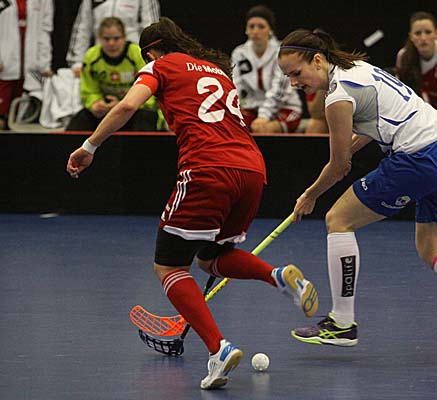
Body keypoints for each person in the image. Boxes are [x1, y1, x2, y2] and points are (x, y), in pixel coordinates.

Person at [66, 17, 318, 390]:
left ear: (152, 50)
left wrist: (89, 147)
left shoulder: (161, 66)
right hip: (252, 170)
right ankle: (277, 276)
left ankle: (218, 348)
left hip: (207, 169)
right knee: (211, 256)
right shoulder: (217, 71)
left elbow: (127, 106)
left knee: (168, 266)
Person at [278, 29, 437, 359]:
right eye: (288, 77)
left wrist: (310, 194)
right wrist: (344, 151)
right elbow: (372, 126)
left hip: (419, 157)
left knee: (338, 219)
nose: (293, 82)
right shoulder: (358, 68)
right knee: (431, 247)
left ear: (317, 60)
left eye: (296, 73)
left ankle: (342, 324)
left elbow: (340, 166)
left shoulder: (337, 97)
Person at [65, 17, 159, 131]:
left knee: (146, 118)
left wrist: (123, 105)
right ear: (99, 39)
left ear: (124, 37)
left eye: (116, 38)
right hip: (105, 109)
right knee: (78, 122)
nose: (111, 43)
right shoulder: (91, 56)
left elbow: (150, 92)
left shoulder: (138, 54)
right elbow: (88, 90)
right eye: (106, 39)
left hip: (135, 109)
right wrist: (95, 103)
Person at [231, 5, 303, 133]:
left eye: (261, 26)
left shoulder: (282, 52)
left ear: (270, 30)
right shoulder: (239, 53)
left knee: (264, 129)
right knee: (233, 125)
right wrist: (242, 107)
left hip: (285, 107)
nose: (256, 31)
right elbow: (237, 86)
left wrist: (263, 116)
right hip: (252, 109)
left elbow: (280, 90)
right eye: (251, 26)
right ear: (246, 29)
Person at [66, 0, 160, 77]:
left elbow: (151, 28)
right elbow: (83, 27)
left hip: (133, 59)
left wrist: (151, 61)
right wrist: (77, 62)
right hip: (100, 58)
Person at [0, 0, 54, 130]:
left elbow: (45, 30)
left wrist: (45, 63)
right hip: (4, 68)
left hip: (31, 69)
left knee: (21, 123)